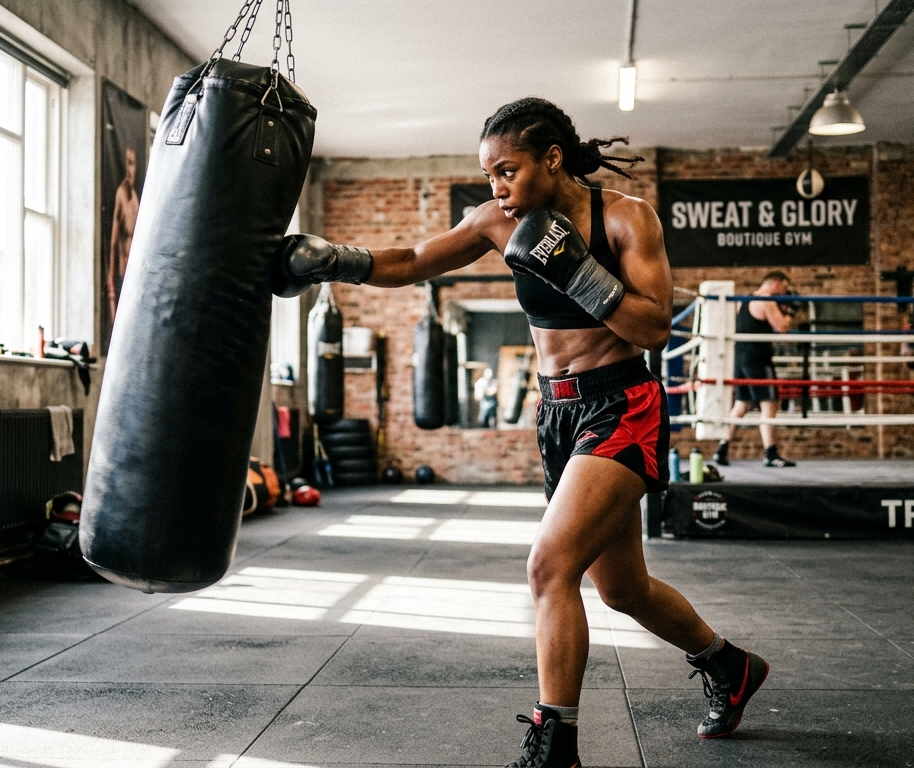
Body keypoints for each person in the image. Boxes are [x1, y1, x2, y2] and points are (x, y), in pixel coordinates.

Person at [277, 98, 768, 767]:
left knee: (548, 567)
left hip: (621, 403)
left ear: (552, 158)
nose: (497, 189)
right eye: (489, 176)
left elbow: (655, 329)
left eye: (507, 172)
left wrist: (577, 272)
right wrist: (329, 258)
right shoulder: (495, 220)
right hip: (556, 413)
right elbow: (413, 259)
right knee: (621, 589)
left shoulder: (626, 218)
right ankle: (728, 665)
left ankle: (554, 744)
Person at [711, 272, 797, 468]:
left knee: (741, 404)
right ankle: (771, 453)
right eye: (784, 287)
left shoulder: (743, 300)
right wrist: (791, 311)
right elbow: (782, 327)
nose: (784, 292)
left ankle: (722, 448)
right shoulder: (766, 300)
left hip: (741, 357)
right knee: (770, 403)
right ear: (775, 284)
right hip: (758, 358)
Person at [107, 147, 141, 320]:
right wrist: (111, 278)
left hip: (135, 274)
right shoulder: (122, 193)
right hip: (123, 271)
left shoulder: (135, 197)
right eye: (127, 164)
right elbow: (114, 240)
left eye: (132, 164)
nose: (130, 169)